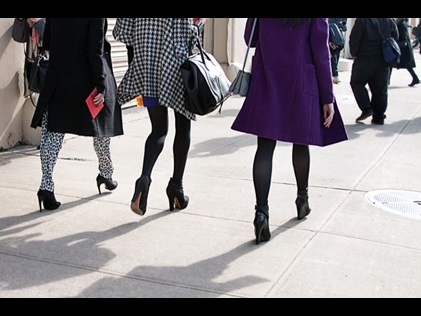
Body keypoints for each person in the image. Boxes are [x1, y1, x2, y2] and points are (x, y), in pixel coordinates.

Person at [231, 18, 348, 245]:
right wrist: (327, 96)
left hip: (268, 76)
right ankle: (302, 199)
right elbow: (320, 49)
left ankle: (261, 214)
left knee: (264, 147)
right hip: (300, 77)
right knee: (301, 142)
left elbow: (250, 39)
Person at [113, 18, 207, 216]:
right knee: (183, 129)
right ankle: (176, 188)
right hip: (177, 68)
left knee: (158, 130)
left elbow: (122, 31)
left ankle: (144, 179)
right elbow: (188, 35)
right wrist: (199, 24)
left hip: (148, 68)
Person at [30, 18, 124, 212]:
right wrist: (101, 85)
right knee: (101, 127)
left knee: (52, 134)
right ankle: (105, 173)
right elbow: (94, 51)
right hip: (87, 80)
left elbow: (47, 42)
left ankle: (46, 187)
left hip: (57, 79)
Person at [350, 18, 399, 125]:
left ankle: (366, 107)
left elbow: (355, 38)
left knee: (357, 82)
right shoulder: (389, 20)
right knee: (380, 89)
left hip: (364, 58)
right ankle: (379, 116)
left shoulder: (362, 20)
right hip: (383, 59)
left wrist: (354, 53)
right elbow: (395, 37)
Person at [12, 18, 46, 98]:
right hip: (35, 73)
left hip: (53, 74)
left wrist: (39, 22)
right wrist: (20, 20)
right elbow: (18, 37)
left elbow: (55, 40)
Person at [390, 18, 420, 87]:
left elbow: (403, 36)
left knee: (393, 62)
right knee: (394, 63)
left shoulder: (401, 24)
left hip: (403, 48)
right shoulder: (400, 22)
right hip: (403, 47)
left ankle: (415, 78)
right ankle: (415, 78)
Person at [328, 18, 348, 84]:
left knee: (334, 56)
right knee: (334, 56)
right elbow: (344, 27)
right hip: (334, 37)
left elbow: (344, 27)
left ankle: (334, 75)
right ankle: (334, 75)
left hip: (334, 37)